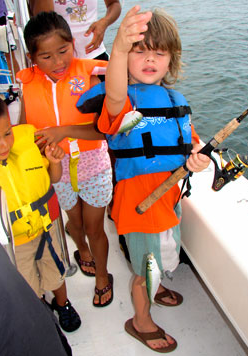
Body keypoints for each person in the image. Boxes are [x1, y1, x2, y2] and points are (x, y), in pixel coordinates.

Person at [88, 6, 211, 352]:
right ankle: (141, 321)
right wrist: (118, 48)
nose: (149, 59)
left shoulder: (174, 101)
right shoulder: (122, 104)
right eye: (139, 50)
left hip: (169, 203)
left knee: (163, 255)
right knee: (145, 270)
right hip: (140, 211)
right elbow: (112, 95)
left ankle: (156, 289)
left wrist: (196, 160)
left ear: (172, 59)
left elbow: (190, 145)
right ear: (126, 57)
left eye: (159, 52)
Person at [17, 11, 114, 307]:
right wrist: (44, 150)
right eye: (45, 56)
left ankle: (102, 276)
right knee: (74, 223)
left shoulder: (92, 74)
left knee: (95, 226)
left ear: (73, 43)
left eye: (63, 51)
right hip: (56, 168)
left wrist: (63, 131)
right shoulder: (27, 84)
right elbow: (24, 130)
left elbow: (104, 132)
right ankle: (81, 250)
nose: (58, 62)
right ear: (32, 57)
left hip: (93, 164)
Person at [0, 88, 81, 333]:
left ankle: (63, 304)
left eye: (7, 133)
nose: (4, 144)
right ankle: (41, 310)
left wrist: (54, 163)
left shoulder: (26, 145)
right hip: (12, 243)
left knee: (56, 272)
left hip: (46, 229)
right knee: (27, 285)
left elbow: (52, 179)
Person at [0, 222, 72, 355]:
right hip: (17, 238)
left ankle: (62, 304)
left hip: (44, 224)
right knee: (31, 289)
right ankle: (44, 308)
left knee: (56, 275)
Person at [28, 0, 121, 60]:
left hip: (96, 54)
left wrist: (104, 22)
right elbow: (41, 21)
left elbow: (114, 3)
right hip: (60, 62)